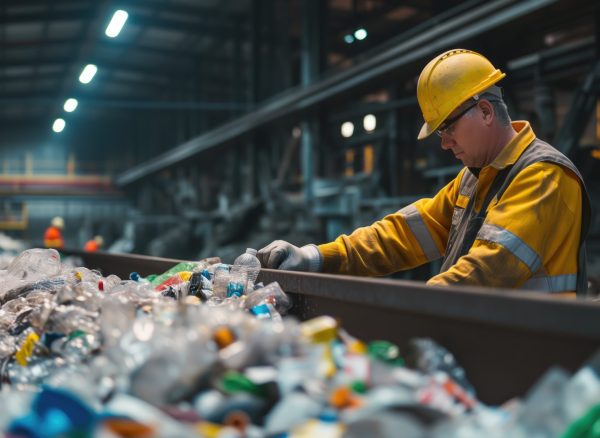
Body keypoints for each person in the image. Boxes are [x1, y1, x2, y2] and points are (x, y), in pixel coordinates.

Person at [258, 49, 590, 296]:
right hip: (495, 345)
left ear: (486, 111)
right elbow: (399, 236)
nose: (444, 143)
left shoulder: (544, 175)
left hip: (538, 360)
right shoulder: (475, 178)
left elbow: (488, 271)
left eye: (447, 128)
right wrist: (314, 257)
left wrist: (411, 309)